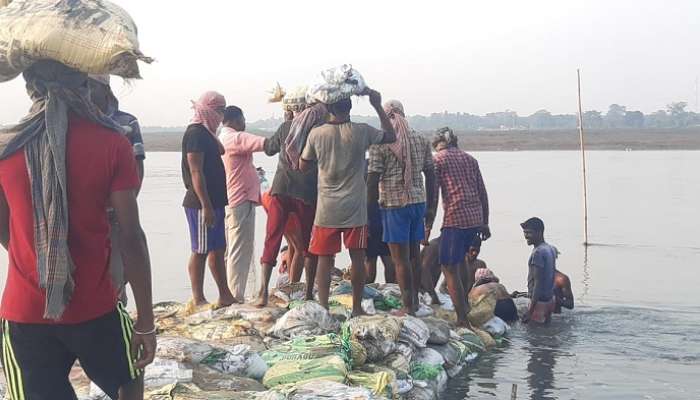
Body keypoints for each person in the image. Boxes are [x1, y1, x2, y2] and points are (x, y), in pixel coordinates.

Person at [0, 61, 155, 400]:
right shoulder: (112, 142)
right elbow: (131, 236)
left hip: (26, 311)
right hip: (95, 305)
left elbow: (3, 226)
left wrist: (38, 260)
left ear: (31, 85)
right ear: (82, 84)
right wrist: (145, 320)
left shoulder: (5, 148)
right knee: (128, 381)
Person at [300, 89, 396, 316]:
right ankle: (355, 308)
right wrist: (377, 104)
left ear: (329, 109)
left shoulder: (317, 134)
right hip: (355, 208)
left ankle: (323, 306)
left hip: (326, 208)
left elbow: (303, 166)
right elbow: (391, 136)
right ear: (350, 108)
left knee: (324, 258)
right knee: (358, 257)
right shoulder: (361, 131)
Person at [367, 99, 436, 315]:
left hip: (394, 205)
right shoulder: (420, 139)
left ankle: (407, 307)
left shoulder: (381, 142)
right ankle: (414, 300)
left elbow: (372, 178)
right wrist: (432, 207)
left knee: (400, 260)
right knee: (414, 255)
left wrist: (368, 211)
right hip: (418, 203)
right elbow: (432, 174)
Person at [88, 74, 147, 305]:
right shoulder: (79, 120)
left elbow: (138, 167)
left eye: (90, 85)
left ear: (104, 88)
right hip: (86, 216)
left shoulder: (127, 122)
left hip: (116, 214)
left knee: (118, 276)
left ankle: (120, 325)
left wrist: (127, 205)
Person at [257, 93, 320, 307]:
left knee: (272, 239)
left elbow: (269, 149)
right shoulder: (316, 130)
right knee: (307, 246)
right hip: (306, 193)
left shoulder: (286, 128)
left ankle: (263, 292)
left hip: (281, 190)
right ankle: (308, 293)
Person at [428, 127, 491, 327]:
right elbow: (483, 193)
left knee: (448, 267)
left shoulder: (438, 160)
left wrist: (427, 227)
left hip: (455, 220)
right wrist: (485, 222)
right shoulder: (471, 160)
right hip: (475, 219)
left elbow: (434, 197)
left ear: (437, 144)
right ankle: (464, 304)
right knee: (462, 262)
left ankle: (462, 318)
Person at [181, 91, 236, 308]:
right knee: (201, 250)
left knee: (218, 248)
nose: (221, 116)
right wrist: (205, 205)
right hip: (201, 202)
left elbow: (221, 149)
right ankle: (198, 297)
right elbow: (196, 171)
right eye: (219, 111)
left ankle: (225, 295)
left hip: (215, 201)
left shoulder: (206, 132)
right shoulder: (195, 133)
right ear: (209, 111)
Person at [219, 106, 268, 302]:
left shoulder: (223, 137)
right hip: (239, 200)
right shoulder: (234, 138)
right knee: (239, 250)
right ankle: (235, 295)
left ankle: (233, 293)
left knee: (234, 249)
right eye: (243, 119)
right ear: (236, 120)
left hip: (234, 198)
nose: (244, 123)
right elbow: (263, 144)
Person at [521, 217, 557, 324]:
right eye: (525, 233)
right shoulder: (550, 248)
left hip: (539, 303)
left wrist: (530, 311)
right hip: (549, 300)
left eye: (529, 233)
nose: (526, 236)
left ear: (539, 232)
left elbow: (538, 283)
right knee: (546, 335)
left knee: (535, 338)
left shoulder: (538, 253)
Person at [365, 160, 396, 284]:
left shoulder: (367, 165)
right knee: (387, 260)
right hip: (386, 219)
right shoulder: (391, 166)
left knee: (371, 260)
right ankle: (390, 289)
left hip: (373, 219)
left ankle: (368, 291)